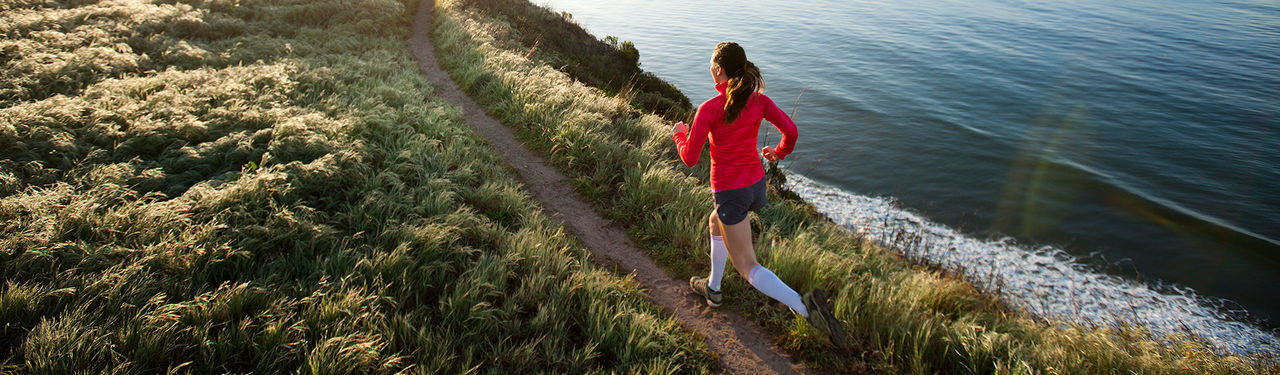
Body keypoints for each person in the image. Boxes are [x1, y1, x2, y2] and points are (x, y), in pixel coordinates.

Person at [672, 42, 845, 347]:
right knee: (716, 224)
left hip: (731, 193)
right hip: (756, 186)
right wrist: (778, 153)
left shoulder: (710, 109)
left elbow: (688, 158)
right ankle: (713, 288)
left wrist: (679, 134)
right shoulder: (759, 102)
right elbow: (791, 131)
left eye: (712, 64)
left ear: (718, 70)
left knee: (748, 266)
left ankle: (806, 308)